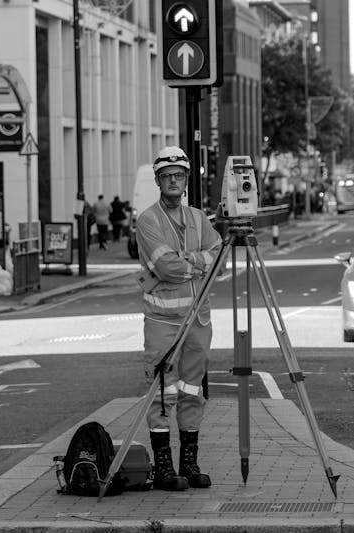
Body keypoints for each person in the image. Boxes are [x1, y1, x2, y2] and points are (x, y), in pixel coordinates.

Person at [135, 146, 222, 492]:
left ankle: (190, 463)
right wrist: (196, 262)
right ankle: (164, 468)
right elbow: (167, 268)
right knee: (161, 395)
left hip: (197, 321)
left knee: (191, 392)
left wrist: (188, 261)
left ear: (187, 180)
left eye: (179, 175)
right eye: (167, 176)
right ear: (158, 180)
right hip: (163, 322)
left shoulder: (200, 219)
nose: (173, 180)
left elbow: (220, 261)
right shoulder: (148, 220)